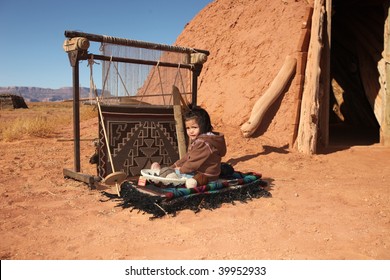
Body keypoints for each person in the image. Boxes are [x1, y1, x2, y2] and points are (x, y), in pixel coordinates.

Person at [171, 106, 227, 188]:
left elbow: (192, 163)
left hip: (206, 176)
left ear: (203, 126)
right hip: (209, 174)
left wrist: (180, 170)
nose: (191, 131)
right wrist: (174, 166)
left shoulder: (203, 142)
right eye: (188, 128)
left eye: (194, 127)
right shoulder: (202, 139)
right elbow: (188, 157)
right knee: (173, 171)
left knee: (174, 176)